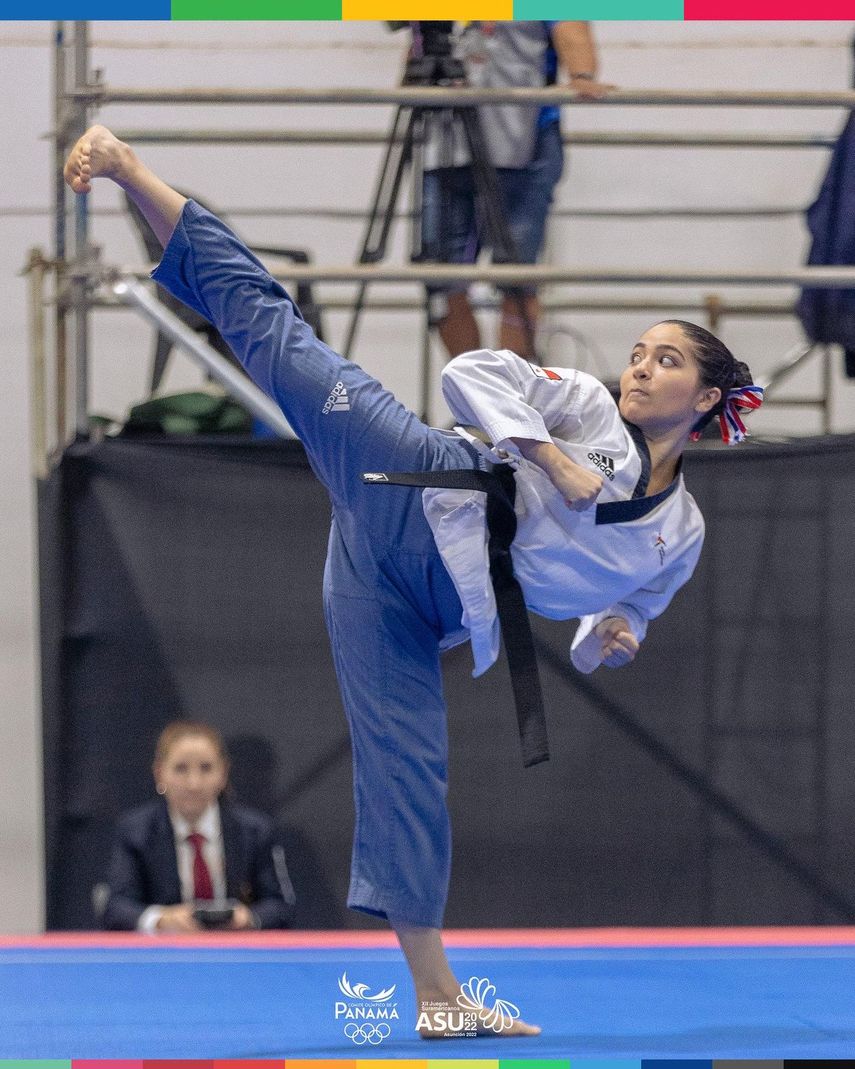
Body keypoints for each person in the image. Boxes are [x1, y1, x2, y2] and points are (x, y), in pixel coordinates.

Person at [65, 126, 761, 1034]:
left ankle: (437, 998)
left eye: (665, 360)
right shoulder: (584, 405)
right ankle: (130, 169)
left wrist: (615, 632)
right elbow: (469, 369)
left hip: (406, 600)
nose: (638, 365)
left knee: (407, 775)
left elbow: (628, 608)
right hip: (409, 476)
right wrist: (550, 459)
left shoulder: (680, 531)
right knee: (277, 336)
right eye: (638, 349)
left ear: (706, 399)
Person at [420, 21, 612, 360]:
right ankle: (477, 397)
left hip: (523, 139)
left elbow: (571, 27)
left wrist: (582, 75)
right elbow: (423, 40)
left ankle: (510, 399)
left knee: (518, 279)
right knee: (441, 275)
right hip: (446, 140)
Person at [102, 720, 296, 932]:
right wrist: (161, 919)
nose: (193, 783)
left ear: (223, 773)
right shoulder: (135, 832)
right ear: (159, 773)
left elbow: (281, 905)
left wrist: (249, 917)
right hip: (165, 955)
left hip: (237, 955)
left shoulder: (255, 831)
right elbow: (116, 908)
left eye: (206, 768)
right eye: (180, 769)